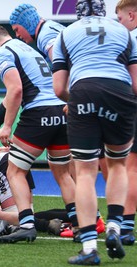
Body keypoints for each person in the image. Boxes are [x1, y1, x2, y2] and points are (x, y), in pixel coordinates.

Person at [52, 0, 137, 264]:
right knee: (119, 164)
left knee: (86, 171)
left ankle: (89, 248)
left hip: (84, 91)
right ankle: (115, 226)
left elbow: (58, 90)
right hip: (119, 94)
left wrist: (75, 100)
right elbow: (136, 84)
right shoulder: (123, 32)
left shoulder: (64, 34)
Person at [0, 24, 76, 244]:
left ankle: (26, 225)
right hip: (61, 111)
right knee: (63, 173)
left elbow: (15, 90)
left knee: (15, 170)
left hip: (39, 113)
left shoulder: (0, 52)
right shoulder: (29, 49)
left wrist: (7, 126)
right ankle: (81, 223)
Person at [115, 0, 137, 246]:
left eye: (120, 20)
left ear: (131, 15)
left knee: (131, 168)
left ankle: (127, 226)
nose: (119, 25)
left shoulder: (131, 40)